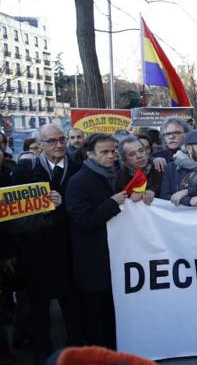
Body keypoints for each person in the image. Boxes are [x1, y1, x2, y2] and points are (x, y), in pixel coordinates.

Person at [10, 124, 83, 364]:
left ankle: (75, 352)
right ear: (40, 144)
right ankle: (42, 354)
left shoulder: (78, 167)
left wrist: (62, 206)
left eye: (61, 139)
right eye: (52, 141)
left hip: (69, 250)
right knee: (38, 310)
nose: (59, 144)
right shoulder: (25, 170)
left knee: (72, 308)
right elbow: (12, 214)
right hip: (35, 252)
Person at [65, 133, 128, 349]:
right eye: (105, 152)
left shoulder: (115, 175)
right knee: (95, 320)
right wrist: (112, 203)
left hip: (114, 259)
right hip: (91, 263)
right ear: (89, 154)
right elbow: (84, 221)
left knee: (111, 317)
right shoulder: (78, 182)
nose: (111, 156)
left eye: (113, 151)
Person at [116, 136, 163, 202]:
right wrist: (129, 196)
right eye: (132, 154)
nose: (139, 156)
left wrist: (153, 191)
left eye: (141, 151)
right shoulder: (119, 177)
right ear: (125, 160)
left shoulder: (160, 167)